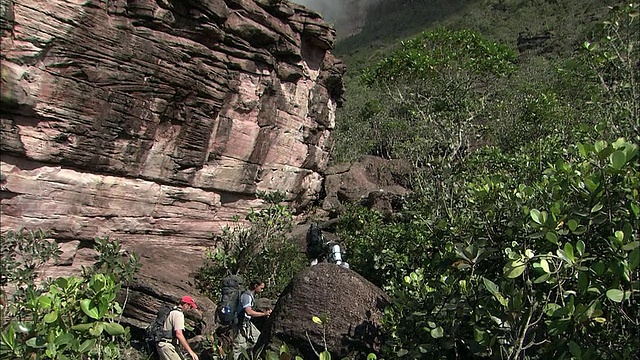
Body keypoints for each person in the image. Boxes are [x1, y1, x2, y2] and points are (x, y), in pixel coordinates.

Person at [232, 280, 272, 360]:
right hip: (240, 325)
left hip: (247, 323)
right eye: (261, 288)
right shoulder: (246, 296)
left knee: (259, 339)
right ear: (256, 286)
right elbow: (249, 312)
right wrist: (263, 314)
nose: (262, 290)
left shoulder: (250, 295)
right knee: (239, 348)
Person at [156, 295, 200, 360]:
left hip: (162, 345)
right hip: (167, 346)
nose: (189, 309)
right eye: (190, 306)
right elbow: (179, 334)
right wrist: (191, 352)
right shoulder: (178, 314)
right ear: (185, 304)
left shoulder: (172, 312)